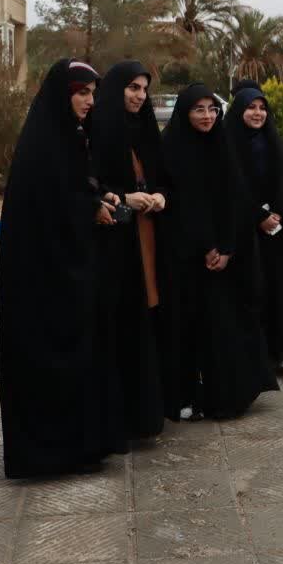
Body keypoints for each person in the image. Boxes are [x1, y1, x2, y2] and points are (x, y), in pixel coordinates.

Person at [0, 59, 127, 478]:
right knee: (49, 363)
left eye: (93, 93)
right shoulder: (42, 142)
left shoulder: (71, 134)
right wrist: (87, 210)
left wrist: (98, 198)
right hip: (44, 276)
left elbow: (73, 187)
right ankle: (49, 454)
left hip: (70, 271)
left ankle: (81, 448)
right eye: (81, 93)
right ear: (63, 94)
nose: (90, 101)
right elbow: (45, 204)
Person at [162, 84, 278, 419]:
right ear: (185, 113)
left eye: (212, 109)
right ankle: (184, 396)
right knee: (186, 327)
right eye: (198, 109)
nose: (207, 116)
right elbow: (179, 205)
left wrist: (225, 248)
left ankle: (223, 394)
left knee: (223, 326)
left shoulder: (221, 145)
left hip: (221, 257)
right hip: (185, 256)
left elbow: (234, 200)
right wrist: (203, 245)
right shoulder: (170, 148)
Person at [90, 61, 167, 441]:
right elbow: (92, 184)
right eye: (133, 87)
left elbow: (163, 175)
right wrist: (125, 197)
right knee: (123, 323)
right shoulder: (98, 129)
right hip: (116, 242)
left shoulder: (145, 128)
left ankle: (147, 412)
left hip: (148, 235)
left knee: (147, 318)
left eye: (144, 89)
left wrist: (160, 195)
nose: (139, 95)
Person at [226, 84, 283, 377]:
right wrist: (256, 216)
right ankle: (251, 358)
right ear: (238, 110)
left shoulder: (272, 142)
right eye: (251, 107)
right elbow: (228, 190)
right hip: (243, 236)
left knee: (280, 291)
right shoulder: (227, 145)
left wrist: (279, 213)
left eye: (262, 108)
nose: (257, 113)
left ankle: (278, 353)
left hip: (276, 233)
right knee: (250, 293)